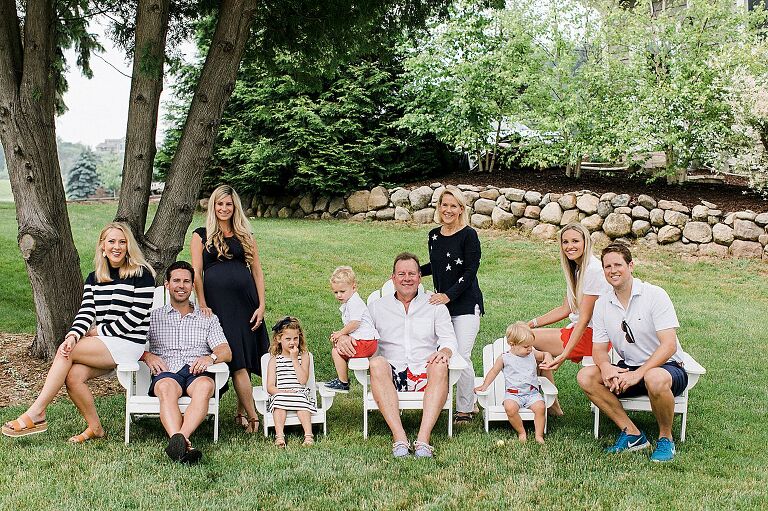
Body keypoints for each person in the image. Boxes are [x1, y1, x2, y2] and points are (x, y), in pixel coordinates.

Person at [2, 222, 155, 442]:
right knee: (73, 377)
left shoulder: (142, 275)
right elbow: (86, 313)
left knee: (67, 352)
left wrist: (98, 331)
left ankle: (37, 412)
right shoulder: (94, 278)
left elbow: (136, 316)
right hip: (105, 344)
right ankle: (95, 428)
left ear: (128, 246)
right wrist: (73, 335)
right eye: (111, 241)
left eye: (122, 242)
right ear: (102, 245)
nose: (117, 247)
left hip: (129, 343)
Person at [335, 252, 457, 458]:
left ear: (420, 277)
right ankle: (399, 438)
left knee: (439, 364)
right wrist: (344, 338)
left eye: (411, 273)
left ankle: (423, 440)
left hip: (424, 371)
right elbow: (360, 332)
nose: (406, 278)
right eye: (401, 274)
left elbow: (449, 338)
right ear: (393, 278)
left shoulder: (434, 305)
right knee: (377, 363)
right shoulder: (376, 307)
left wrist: (444, 351)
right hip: (390, 373)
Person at [577, 243, 690, 463]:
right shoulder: (602, 304)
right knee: (586, 376)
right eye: (607, 266)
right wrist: (607, 367)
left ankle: (666, 439)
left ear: (631, 265)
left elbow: (669, 346)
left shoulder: (654, 295)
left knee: (653, 377)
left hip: (667, 368)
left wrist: (638, 374)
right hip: (629, 367)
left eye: (618, 264)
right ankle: (632, 434)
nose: (613, 270)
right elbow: (599, 350)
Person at [191, 185, 268, 434]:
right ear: (213, 206)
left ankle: (240, 412)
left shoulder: (245, 234)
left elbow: (256, 270)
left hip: (246, 302)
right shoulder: (201, 235)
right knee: (236, 361)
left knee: (243, 356)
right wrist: (202, 303)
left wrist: (262, 305)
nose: (224, 209)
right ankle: (254, 418)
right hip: (218, 305)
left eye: (229, 204)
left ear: (235, 207)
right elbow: (197, 274)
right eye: (219, 204)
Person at [142, 261, 232, 464]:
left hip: (196, 371)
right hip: (167, 371)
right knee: (166, 388)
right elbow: (130, 344)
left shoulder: (207, 318)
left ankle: (179, 440)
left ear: (192, 286)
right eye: (176, 281)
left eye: (186, 281)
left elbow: (225, 351)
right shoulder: (153, 317)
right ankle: (183, 444)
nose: (181, 286)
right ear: (167, 284)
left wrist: (210, 358)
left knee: (206, 386)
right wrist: (146, 356)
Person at [527, 222, 612, 416]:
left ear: (586, 242)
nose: (569, 246)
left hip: (594, 336)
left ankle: (551, 404)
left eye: (575, 241)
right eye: (565, 242)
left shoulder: (593, 270)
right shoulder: (577, 268)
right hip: (580, 329)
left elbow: (584, 319)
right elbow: (566, 309)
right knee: (529, 336)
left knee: (527, 340)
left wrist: (564, 354)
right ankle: (551, 403)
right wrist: (531, 323)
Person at [420, 186, 484, 424]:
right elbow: (436, 264)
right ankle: (455, 401)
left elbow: (469, 272)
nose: (448, 210)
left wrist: (448, 295)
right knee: (444, 355)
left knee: (461, 355)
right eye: (444, 205)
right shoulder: (434, 235)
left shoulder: (469, 235)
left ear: (460, 209)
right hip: (442, 308)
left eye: (453, 206)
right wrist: (412, 272)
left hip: (466, 305)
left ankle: (465, 409)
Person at [474, 322, 548, 444]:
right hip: (513, 394)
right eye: (526, 346)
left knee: (540, 408)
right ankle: (521, 432)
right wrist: (484, 385)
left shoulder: (532, 354)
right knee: (510, 408)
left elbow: (545, 355)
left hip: (532, 393)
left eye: (531, 345)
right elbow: (493, 372)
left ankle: (539, 435)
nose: (530, 349)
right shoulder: (504, 358)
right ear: (512, 344)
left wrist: (548, 356)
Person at [324, 266, 380, 393]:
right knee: (337, 342)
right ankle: (342, 380)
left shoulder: (354, 302)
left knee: (336, 351)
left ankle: (343, 382)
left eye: (342, 291)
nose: (338, 295)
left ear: (354, 287)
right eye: (335, 292)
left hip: (366, 343)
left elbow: (354, 323)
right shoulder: (350, 301)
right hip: (366, 341)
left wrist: (341, 333)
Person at [266, 316, 317, 448]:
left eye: (295, 338)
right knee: (278, 402)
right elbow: (270, 387)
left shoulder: (304, 356)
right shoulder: (274, 360)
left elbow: (302, 380)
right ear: (278, 339)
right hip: (281, 392)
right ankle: (279, 436)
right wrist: (282, 391)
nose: (292, 342)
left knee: (302, 402)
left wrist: (295, 359)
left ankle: (308, 436)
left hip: (299, 391)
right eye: (288, 339)